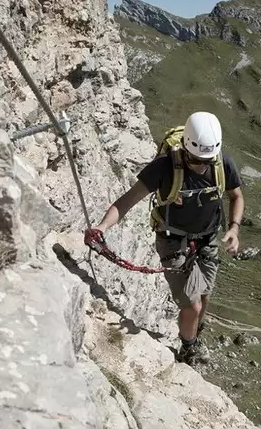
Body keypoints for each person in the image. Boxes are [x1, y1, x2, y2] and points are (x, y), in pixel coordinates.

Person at [85, 111, 244, 366]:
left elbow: (236, 196)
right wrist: (102, 227)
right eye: (194, 159)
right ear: (184, 149)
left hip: (207, 240)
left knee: (204, 297)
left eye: (205, 160)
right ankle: (188, 348)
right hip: (174, 242)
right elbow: (127, 200)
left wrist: (234, 228)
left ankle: (193, 334)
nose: (200, 165)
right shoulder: (164, 167)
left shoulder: (221, 163)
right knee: (192, 306)